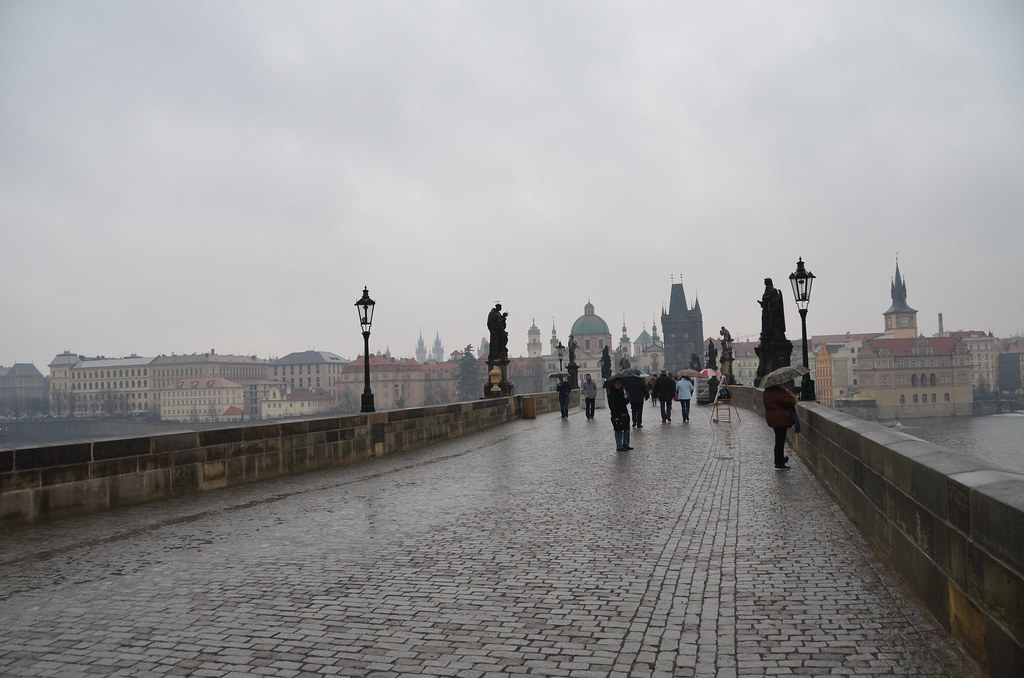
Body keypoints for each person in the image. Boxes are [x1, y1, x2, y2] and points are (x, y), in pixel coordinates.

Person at [763, 383, 799, 470]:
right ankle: (779, 463)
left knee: (779, 440)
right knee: (780, 441)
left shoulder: (767, 392)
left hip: (774, 419)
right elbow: (791, 402)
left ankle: (780, 459)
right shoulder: (778, 393)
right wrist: (788, 392)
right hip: (781, 420)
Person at [606, 378, 632, 451]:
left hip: (624, 413)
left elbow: (626, 402)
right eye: (617, 384)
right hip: (617, 414)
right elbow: (611, 405)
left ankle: (626, 444)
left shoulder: (622, 391)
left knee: (626, 429)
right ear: (614, 384)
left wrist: (626, 398)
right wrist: (615, 416)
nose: (618, 385)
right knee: (618, 430)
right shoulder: (611, 393)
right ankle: (619, 446)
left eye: (619, 384)